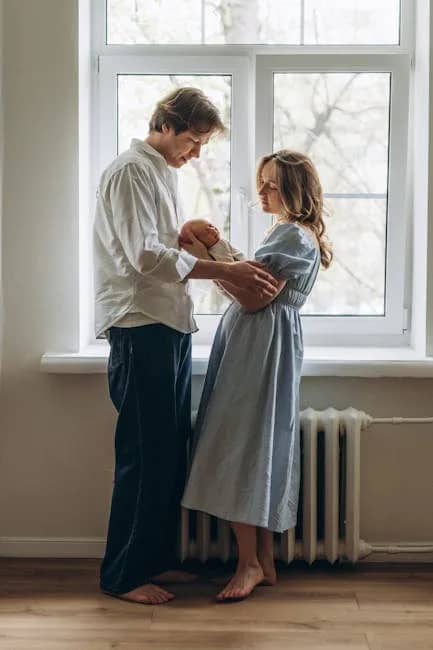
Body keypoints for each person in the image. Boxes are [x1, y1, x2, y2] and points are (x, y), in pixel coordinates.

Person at [93, 87, 279, 605]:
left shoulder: (158, 174)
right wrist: (227, 268)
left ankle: (153, 560)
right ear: (167, 125)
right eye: (193, 142)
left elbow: (158, 242)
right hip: (140, 326)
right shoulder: (131, 170)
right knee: (144, 454)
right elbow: (143, 258)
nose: (195, 154)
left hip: (168, 324)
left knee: (169, 453)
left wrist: (186, 232)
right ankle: (123, 575)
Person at [181, 150, 333, 602]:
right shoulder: (291, 234)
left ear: (293, 189)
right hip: (265, 346)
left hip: (258, 350)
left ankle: (247, 561)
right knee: (257, 445)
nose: (262, 192)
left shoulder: (290, 234)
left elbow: (251, 298)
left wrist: (209, 259)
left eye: (271, 184)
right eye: (261, 183)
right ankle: (262, 560)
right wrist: (221, 254)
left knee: (240, 445)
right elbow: (252, 284)